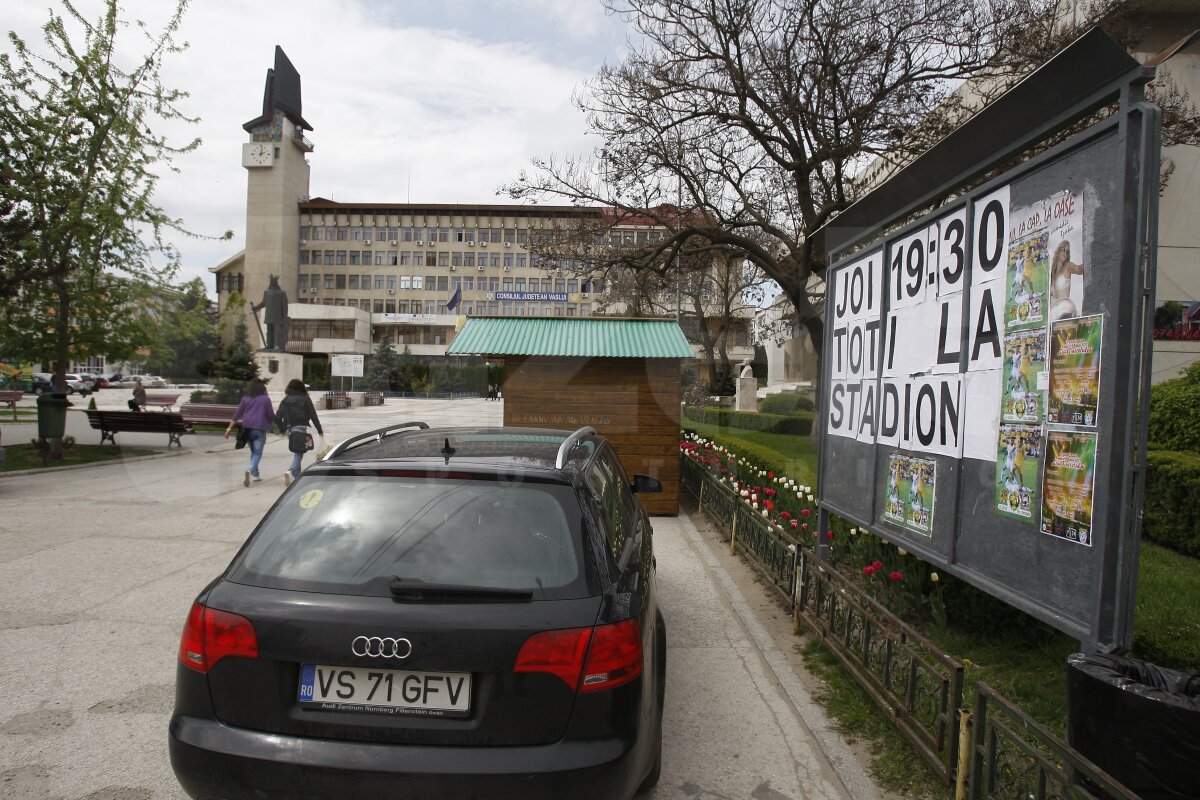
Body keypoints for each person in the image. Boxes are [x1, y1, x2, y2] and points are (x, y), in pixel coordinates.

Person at [224, 378, 275, 486]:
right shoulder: (265, 399)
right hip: (259, 429)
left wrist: (228, 429)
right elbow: (270, 414)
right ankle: (250, 469)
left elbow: (237, 414)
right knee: (257, 453)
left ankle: (255, 475)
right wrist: (277, 423)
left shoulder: (245, 399)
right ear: (262, 388)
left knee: (254, 452)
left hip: (246, 429)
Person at [275, 378, 324, 486]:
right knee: (299, 452)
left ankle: (297, 477)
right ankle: (291, 471)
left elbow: (277, 417)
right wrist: (319, 429)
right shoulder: (305, 398)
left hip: (290, 429)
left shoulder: (285, 400)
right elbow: (312, 414)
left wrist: (283, 429)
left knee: (298, 450)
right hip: (301, 428)